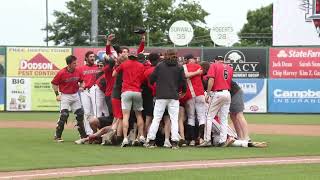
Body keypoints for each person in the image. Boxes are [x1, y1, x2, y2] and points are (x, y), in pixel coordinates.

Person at [145, 49, 187, 149]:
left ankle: (151, 141)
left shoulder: (160, 65)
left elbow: (151, 79)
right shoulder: (179, 66)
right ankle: (175, 142)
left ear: (165, 55)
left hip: (161, 96)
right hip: (173, 96)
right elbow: (183, 82)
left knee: (156, 119)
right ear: (176, 55)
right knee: (174, 119)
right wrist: (183, 92)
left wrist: (158, 84)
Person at [112, 51, 146, 147]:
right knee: (139, 115)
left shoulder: (124, 64)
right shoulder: (140, 65)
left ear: (129, 56)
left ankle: (125, 138)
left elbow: (114, 74)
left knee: (125, 116)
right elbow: (143, 78)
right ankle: (142, 136)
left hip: (126, 91)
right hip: (137, 91)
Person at [199, 55, 234, 147]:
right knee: (224, 118)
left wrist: (209, 93)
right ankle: (223, 140)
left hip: (218, 93)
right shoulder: (230, 68)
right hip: (227, 93)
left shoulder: (214, 65)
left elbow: (211, 79)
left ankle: (207, 140)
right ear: (223, 60)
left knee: (208, 116)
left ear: (215, 60)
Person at [51, 55, 87, 142]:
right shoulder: (61, 73)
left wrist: (82, 86)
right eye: (74, 63)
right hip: (65, 96)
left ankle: (83, 136)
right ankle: (57, 136)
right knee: (64, 115)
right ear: (69, 64)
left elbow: (82, 81)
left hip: (75, 95)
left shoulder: (78, 71)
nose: (76, 64)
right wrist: (57, 94)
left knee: (80, 114)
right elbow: (54, 84)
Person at [182, 54, 206, 146]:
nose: (195, 60)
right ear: (191, 59)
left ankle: (192, 140)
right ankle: (201, 139)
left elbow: (185, 76)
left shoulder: (184, 67)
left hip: (190, 95)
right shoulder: (198, 66)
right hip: (200, 94)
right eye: (194, 59)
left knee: (191, 117)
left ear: (186, 60)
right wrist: (196, 73)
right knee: (201, 117)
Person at [78, 51, 101, 135]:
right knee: (87, 112)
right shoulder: (81, 69)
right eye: (90, 57)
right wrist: (80, 86)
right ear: (86, 58)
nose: (92, 58)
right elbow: (79, 81)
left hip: (96, 91)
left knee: (96, 112)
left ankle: (98, 131)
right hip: (85, 91)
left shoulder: (98, 67)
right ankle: (88, 132)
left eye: (93, 57)